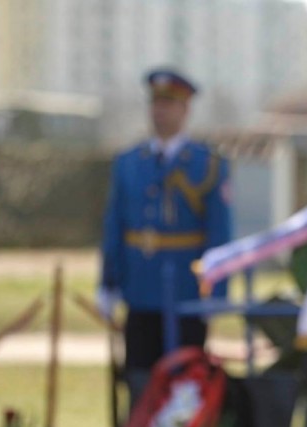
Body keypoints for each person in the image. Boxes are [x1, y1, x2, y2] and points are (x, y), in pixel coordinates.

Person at [97, 68, 232, 404]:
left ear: (185, 110)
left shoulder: (207, 164)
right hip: (140, 287)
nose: (160, 112)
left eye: (169, 104)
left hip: (187, 290)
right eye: (156, 104)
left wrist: (216, 289)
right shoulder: (129, 162)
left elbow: (219, 231)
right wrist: (108, 282)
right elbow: (115, 225)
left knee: (185, 381)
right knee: (139, 378)